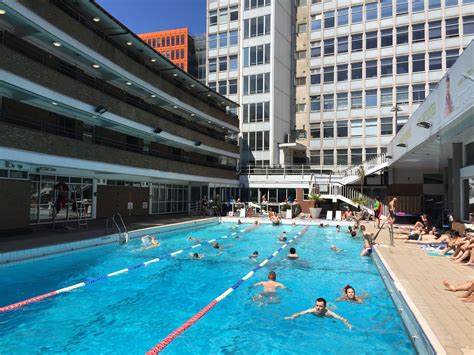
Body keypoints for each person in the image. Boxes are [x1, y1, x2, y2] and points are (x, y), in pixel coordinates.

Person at [284, 297, 352, 329]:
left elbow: (342, 318)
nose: (318, 308)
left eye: (320, 306)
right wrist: (292, 317)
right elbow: (300, 313)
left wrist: (348, 325)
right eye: (316, 305)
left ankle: (331, 305)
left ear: (324, 306)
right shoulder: (312, 310)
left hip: (326, 316)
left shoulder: (329, 313)